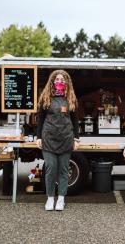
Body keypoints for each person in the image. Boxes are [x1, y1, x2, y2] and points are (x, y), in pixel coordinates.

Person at [36, 70, 80, 211]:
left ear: (66, 82)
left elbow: (75, 121)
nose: (59, 82)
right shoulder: (46, 98)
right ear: (52, 82)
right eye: (57, 79)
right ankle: (50, 198)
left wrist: (76, 138)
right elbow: (40, 120)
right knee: (51, 168)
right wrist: (38, 137)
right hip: (48, 139)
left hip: (66, 139)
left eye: (62, 79)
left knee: (63, 170)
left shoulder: (71, 99)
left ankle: (61, 199)